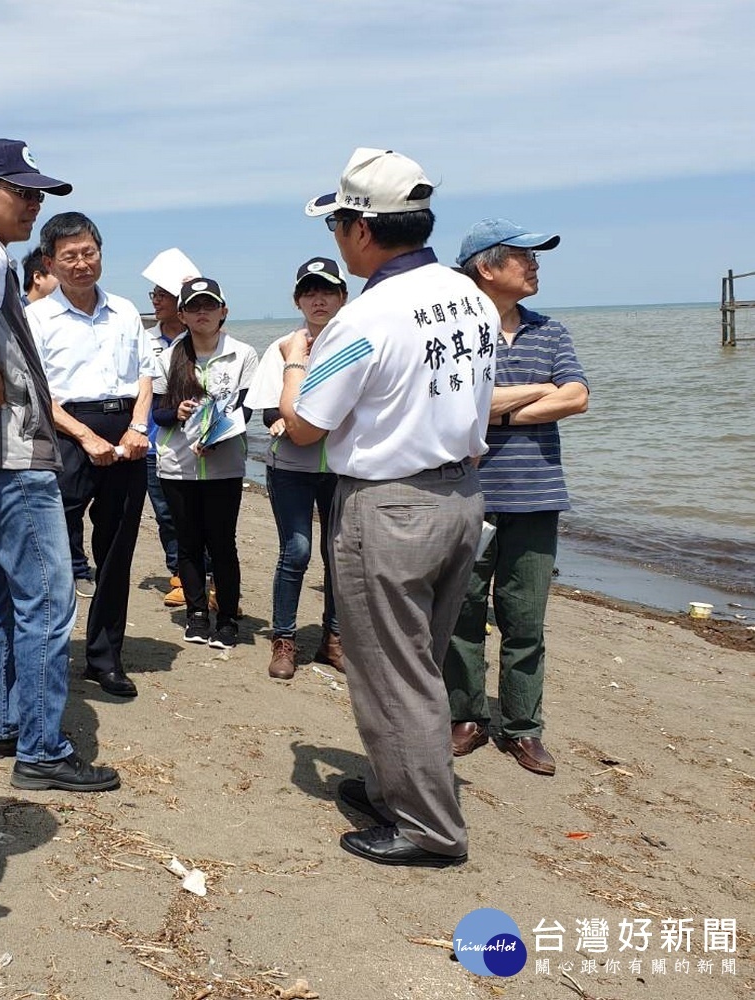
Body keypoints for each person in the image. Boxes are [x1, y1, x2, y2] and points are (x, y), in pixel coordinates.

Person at [277, 147, 495, 868]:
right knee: (420, 659)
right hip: (460, 498)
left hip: (390, 507)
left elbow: (307, 426)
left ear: (361, 229)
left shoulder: (364, 318)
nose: (337, 239)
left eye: (338, 224)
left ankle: (429, 828)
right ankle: (395, 786)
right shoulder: (471, 298)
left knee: (392, 672)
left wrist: (295, 363)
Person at [0, 138, 120, 792]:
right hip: (7, 455)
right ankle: (41, 749)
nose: (33, 205)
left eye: (38, 194)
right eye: (22, 192)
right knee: (47, 600)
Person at [443, 220, 589, 777]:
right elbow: (454, 405)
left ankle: (524, 728)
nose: (535, 265)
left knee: (526, 619)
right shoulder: (456, 332)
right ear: (486, 266)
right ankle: (467, 716)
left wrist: (493, 409)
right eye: (523, 257)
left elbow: (577, 398)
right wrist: (534, 393)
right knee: (462, 613)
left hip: (537, 495)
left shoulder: (549, 331)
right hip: (466, 494)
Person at [27, 212, 155, 698]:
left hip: (127, 433)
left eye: (89, 253)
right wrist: (85, 437)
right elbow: (39, 394)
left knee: (117, 549)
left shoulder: (124, 310)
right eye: (70, 256)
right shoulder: (37, 317)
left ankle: (104, 657)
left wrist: (139, 427)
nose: (82, 264)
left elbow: (146, 375)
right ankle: (49, 654)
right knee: (54, 550)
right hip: (66, 436)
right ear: (50, 263)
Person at [246, 257, 346, 679]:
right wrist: (281, 420)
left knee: (339, 554)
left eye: (326, 290)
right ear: (297, 299)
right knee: (298, 550)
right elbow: (269, 409)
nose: (318, 299)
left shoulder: (355, 343)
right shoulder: (284, 346)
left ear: (343, 296)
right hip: (291, 466)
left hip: (344, 466)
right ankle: (284, 639)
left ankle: (334, 639)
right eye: (309, 291)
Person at [152, 278, 257, 650]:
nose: (202, 312)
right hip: (177, 465)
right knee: (189, 542)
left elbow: (245, 408)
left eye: (209, 305)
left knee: (222, 542)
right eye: (194, 307)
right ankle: (196, 614)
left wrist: (215, 435)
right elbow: (157, 413)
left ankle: (227, 617)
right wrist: (177, 413)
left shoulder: (242, 354)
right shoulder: (168, 357)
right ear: (181, 315)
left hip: (224, 465)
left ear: (223, 311)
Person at [140, 248, 197, 608]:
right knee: (165, 514)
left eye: (163, 295)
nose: (156, 301)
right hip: (152, 442)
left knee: (196, 516)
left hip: (194, 444)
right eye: (155, 295)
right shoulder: (145, 339)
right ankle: (178, 573)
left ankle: (204, 577)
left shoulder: (199, 340)